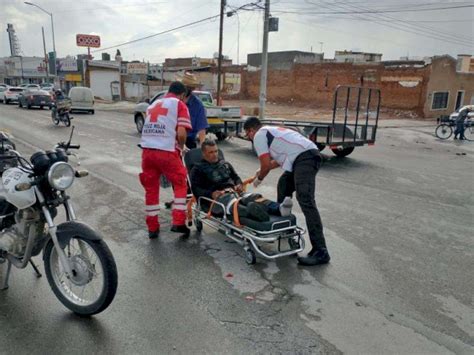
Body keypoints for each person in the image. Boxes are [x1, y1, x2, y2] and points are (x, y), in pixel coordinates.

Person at [243, 117, 329, 266]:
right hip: (303, 156)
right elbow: (277, 161)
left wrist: (260, 178)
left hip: (305, 158)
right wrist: (263, 169)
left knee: (306, 201)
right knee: (283, 186)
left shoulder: (259, 135)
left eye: (247, 134)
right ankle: (286, 238)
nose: (249, 138)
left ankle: (321, 251)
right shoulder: (271, 132)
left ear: (251, 130)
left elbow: (265, 165)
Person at [190, 139, 293, 222]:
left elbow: (236, 177)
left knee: (255, 197)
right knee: (236, 205)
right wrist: (211, 194)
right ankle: (259, 214)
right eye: (211, 152)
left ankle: (280, 208)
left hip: (235, 192)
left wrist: (239, 184)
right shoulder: (198, 169)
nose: (215, 154)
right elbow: (196, 189)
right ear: (204, 154)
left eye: (216, 151)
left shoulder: (224, 164)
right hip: (217, 200)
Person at [139, 81, 192, 239]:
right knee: (181, 182)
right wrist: (181, 147)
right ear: (182, 94)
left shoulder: (154, 104)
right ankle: (178, 222)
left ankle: (153, 227)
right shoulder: (179, 104)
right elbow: (181, 134)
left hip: (147, 152)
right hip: (166, 151)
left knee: (151, 189)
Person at [180, 72, 209, 149]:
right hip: (173, 139)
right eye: (183, 86)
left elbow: (201, 128)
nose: (185, 89)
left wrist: (203, 147)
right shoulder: (175, 101)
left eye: (188, 87)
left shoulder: (197, 104)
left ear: (192, 89)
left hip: (189, 140)